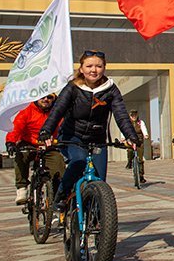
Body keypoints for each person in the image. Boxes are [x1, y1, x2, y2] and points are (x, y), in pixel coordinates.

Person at [39, 50, 140, 210]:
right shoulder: (73, 87)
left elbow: (121, 115)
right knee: (78, 162)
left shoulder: (111, 89)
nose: (94, 70)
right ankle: (62, 195)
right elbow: (57, 110)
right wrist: (46, 131)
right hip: (72, 137)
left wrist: (131, 136)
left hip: (97, 140)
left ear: (104, 68)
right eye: (89, 66)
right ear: (81, 69)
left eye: (99, 66)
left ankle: (97, 219)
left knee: (99, 180)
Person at [5, 94, 65, 205]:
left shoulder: (58, 112)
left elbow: (65, 127)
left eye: (49, 97)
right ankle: (22, 187)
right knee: (21, 156)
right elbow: (16, 127)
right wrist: (10, 142)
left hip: (48, 145)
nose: (46, 99)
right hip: (29, 143)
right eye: (42, 97)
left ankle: (57, 193)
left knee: (58, 163)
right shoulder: (27, 111)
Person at [123, 109, 147, 181]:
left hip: (139, 141)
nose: (134, 116)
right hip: (130, 141)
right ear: (130, 116)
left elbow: (144, 129)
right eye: (132, 115)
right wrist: (123, 138)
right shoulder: (128, 123)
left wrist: (145, 135)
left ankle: (141, 175)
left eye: (135, 115)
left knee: (140, 159)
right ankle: (129, 162)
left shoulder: (140, 122)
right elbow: (124, 130)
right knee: (130, 151)